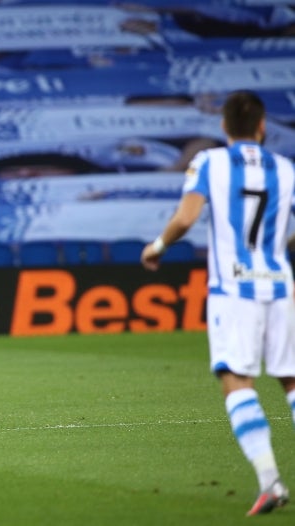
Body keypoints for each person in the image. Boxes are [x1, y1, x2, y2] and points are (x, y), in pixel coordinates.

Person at [140, 91, 295, 517]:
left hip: (234, 288)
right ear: (262, 127)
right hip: (282, 286)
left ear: (225, 127)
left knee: (236, 380)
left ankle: (270, 481)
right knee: (292, 382)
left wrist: (157, 246)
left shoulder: (210, 163)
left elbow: (187, 218)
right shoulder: (285, 168)